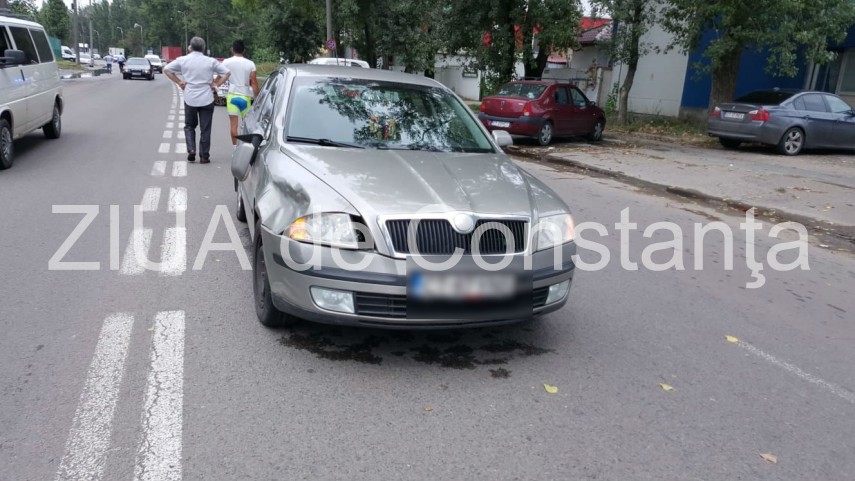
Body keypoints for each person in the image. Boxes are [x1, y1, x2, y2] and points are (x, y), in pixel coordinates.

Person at [163, 37, 230, 164]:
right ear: (204, 48)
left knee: (189, 126)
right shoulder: (211, 61)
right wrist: (216, 84)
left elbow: (167, 69)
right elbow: (227, 73)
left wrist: (179, 82)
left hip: (190, 98)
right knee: (205, 128)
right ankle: (204, 156)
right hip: (207, 98)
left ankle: (191, 149)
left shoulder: (183, 60)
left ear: (190, 47)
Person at [222, 40, 260, 146]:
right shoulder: (250, 64)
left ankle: (235, 149)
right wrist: (257, 97)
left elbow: (221, 77)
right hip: (245, 96)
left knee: (234, 126)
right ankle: (245, 148)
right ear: (244, 50)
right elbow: (253, 82)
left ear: (232, 49)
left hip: (232, 96)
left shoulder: (226, 62)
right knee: (247, 125)